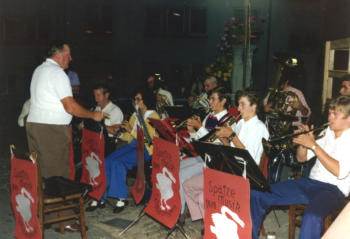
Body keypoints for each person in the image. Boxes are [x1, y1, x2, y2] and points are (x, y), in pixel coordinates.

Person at [250, 95, 350, 239]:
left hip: (333, 190)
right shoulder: (326, 132)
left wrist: (314, 145)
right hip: (309, 183)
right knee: (257, 194)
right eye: (329, 113)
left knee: (312, 217)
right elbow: (301, 158)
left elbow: (339, 171)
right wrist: (303, 143)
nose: (329, 118)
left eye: (335, 114)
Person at [182, 91, 269, 222]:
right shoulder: (240, 123)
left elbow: (248, 157)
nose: (238, 109)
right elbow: (231, 150)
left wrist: (232, 136)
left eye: (242, 104)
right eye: (238, 104)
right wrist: (223, 139)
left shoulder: (260, 128)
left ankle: (212, 226)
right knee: (188, 185)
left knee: (202, 197)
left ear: (254, 106)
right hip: (229, 170)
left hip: (244, 177)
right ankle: (209, 221)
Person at [26, 41, 106, 179]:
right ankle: (60, 201)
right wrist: (93, 115)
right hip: (51, 129)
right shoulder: (58, 73)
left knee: (40, 172)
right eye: (68, 55)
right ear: (59, 55)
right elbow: (70, 107)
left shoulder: (39, 70)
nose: (71, 58)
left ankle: (43, 200)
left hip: (34, 125)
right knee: (58, 176)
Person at [87, 88, 160, 212]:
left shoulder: (153, 115)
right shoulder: (135, 115)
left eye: (138, 99)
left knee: (118, 163)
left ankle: (121, 198)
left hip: (147, 149)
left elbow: (151, 139)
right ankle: (100, 196)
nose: (135, 102)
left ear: (145, 100)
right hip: (133, 144)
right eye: (135, 99)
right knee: (107, 160)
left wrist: (131, 130)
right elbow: (129, 136)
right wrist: (119, 134)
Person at [178, 87, 233, 220]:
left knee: (181, 175)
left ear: (223, 101)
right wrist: (192, 132)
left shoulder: (228, 120)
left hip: (215, 162)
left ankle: (179, 212)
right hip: (203, 156)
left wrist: (200, 127)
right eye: (210, 99)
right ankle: (188, 207)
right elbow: (198, 141)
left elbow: (214, 144)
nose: (209, 102)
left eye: (213, 99)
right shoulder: (209, 116)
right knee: (177, 165)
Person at [92, 84, 124, 154]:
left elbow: (115, 131)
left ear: (106, 95)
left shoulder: (115, 110)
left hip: (108, 146)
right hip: (94, 142)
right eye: (94, 95)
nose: (95, 99)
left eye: (98, 95)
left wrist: (97, 125)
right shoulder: (96, 108)